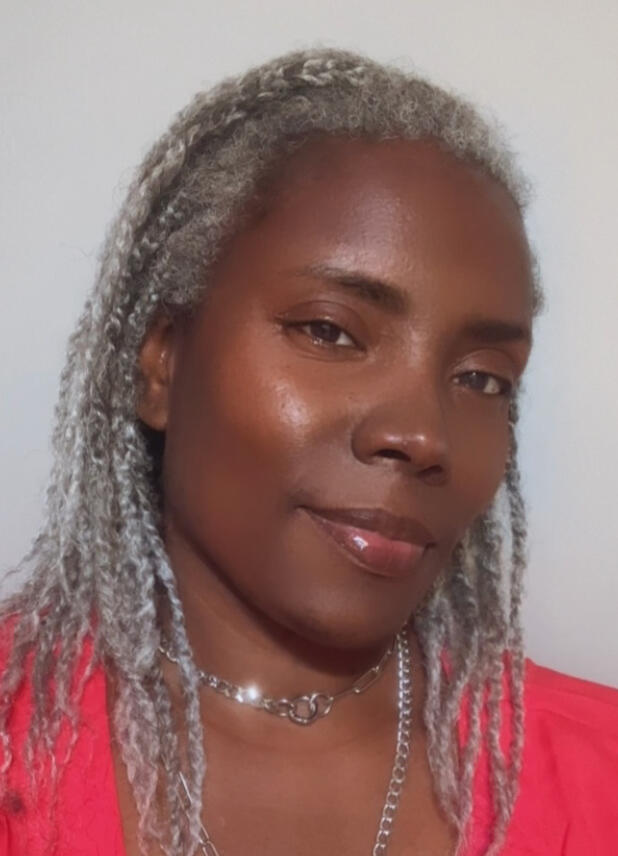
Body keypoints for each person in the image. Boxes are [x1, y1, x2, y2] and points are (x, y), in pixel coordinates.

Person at [0, 47, 616, 856]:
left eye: (482, 378)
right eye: (328, 331)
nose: (423, 435)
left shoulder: (599, 778)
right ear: (163, 362)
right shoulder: (18, 738)